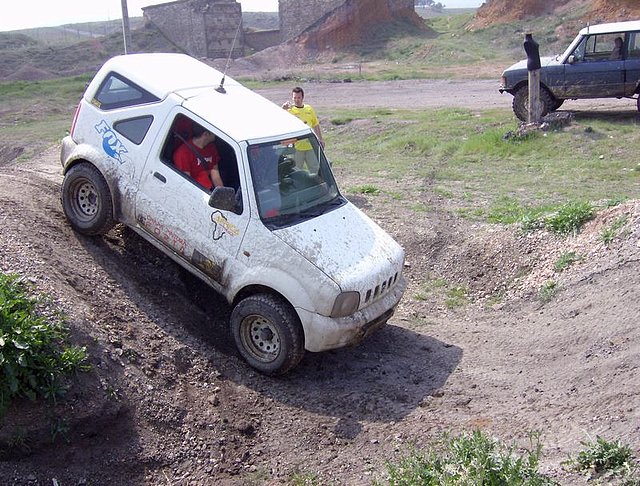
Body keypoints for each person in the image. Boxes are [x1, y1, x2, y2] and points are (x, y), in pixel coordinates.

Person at [282, 86, 324, 170]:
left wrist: (320, 139)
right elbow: (280, 121)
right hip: (296, 148)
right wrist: (283, 109)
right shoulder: (289, 110)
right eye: (295, 98)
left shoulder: (309, 109)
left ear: (302, 97)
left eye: (299, 97)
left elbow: (315, 124)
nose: (297, 100)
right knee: (296, 170)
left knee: (314, 169)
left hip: (310, 146)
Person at [173, 123, 224, 190]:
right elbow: (186, 182)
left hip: (209, 188)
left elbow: (215, 173)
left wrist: (222, 194)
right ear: (205, 134)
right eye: (213, 132)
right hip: (195, 191)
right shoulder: (183, 153)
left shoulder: (212, 148)